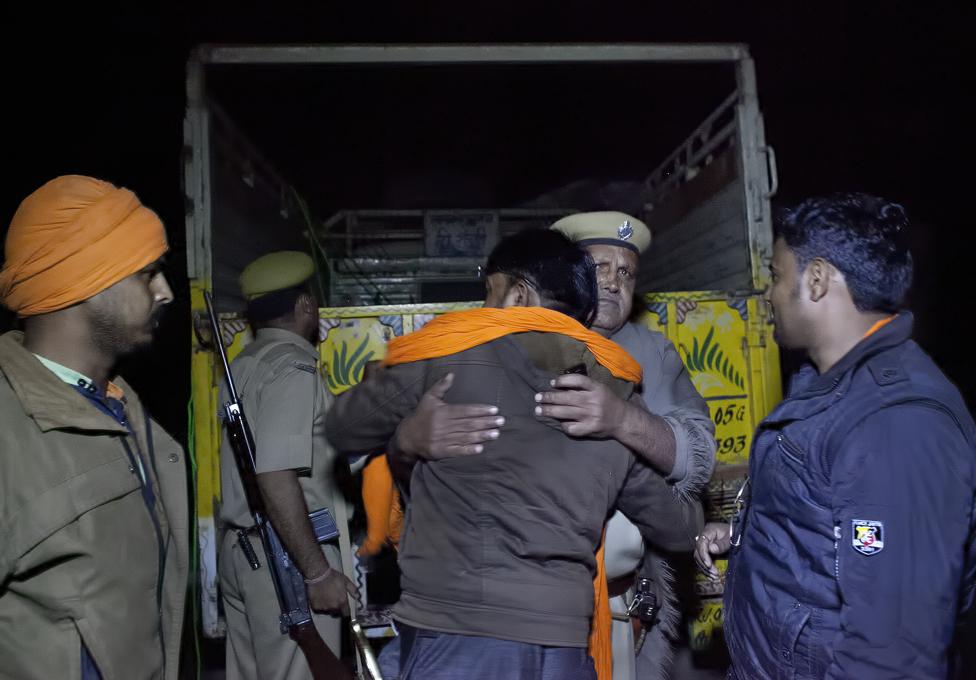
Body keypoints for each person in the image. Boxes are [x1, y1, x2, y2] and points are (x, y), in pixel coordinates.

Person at [326, 229, 703, 680]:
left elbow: (342, 427)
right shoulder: (613, 396)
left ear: (518, 294)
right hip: (565, 646)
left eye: (490, 293)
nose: (484, 308)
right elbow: (680, 528)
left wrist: (403, 437)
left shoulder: (445, 356)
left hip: (456, 635)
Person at [694, 193, 976, 679]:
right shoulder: (827, 383)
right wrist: (749, 536)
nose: (769, 293)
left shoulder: (897, 426)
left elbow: (894, 654)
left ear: (818, 280)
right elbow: (829, 523)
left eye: (777, 276)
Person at [0, 175, 188, 679]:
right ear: (85, 284)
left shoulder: (118, 403)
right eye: (148, 274)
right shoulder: (9, 429)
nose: (165, 292)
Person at [217, 250, 358, 680]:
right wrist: (317, 573)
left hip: (244, 550)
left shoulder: (244, 364)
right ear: (304, 306)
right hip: (289, 556)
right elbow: (275, 473)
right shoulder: (292, 370)